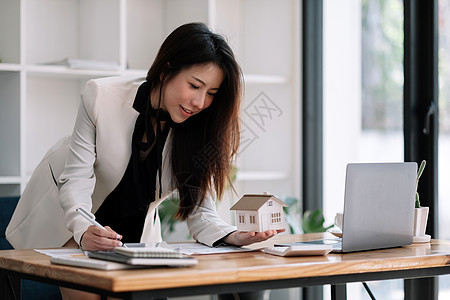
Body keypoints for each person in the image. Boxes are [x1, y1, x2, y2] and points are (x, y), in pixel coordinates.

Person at [6, 23, 284, 299]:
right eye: (194, 85)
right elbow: (75, 179)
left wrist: (233, 236)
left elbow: (200, 211)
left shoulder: (199, 128)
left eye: (211, 93)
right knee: (89, 288)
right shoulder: (100, 96)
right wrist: (83, 229)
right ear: (166, 69)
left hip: (135, 230)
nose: (200, 102)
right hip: (71, 217)